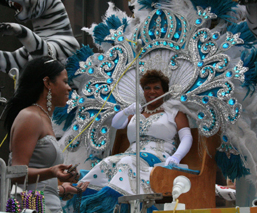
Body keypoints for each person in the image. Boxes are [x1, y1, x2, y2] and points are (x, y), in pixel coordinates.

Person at [77, 69, 193, 213]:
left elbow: (187, 137)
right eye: (147, 88)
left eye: (157, 88)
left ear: (164, 90)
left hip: (157, 157)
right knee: (107, 162)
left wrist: (177, 156)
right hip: (130, 154)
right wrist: (126, 111)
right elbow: (116, 124)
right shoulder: (137, 112)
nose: (152, 92)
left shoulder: (174, 112)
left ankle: (112, 207)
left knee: (128, 163)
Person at [5, 55, 88, 213]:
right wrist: (52, 172)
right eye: (64, 81)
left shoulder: (43, 118)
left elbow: (42, 185)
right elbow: (15, 173)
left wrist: (64, 187)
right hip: (30, 208)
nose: (69, 88)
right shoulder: (30, 117)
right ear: (48, 83)